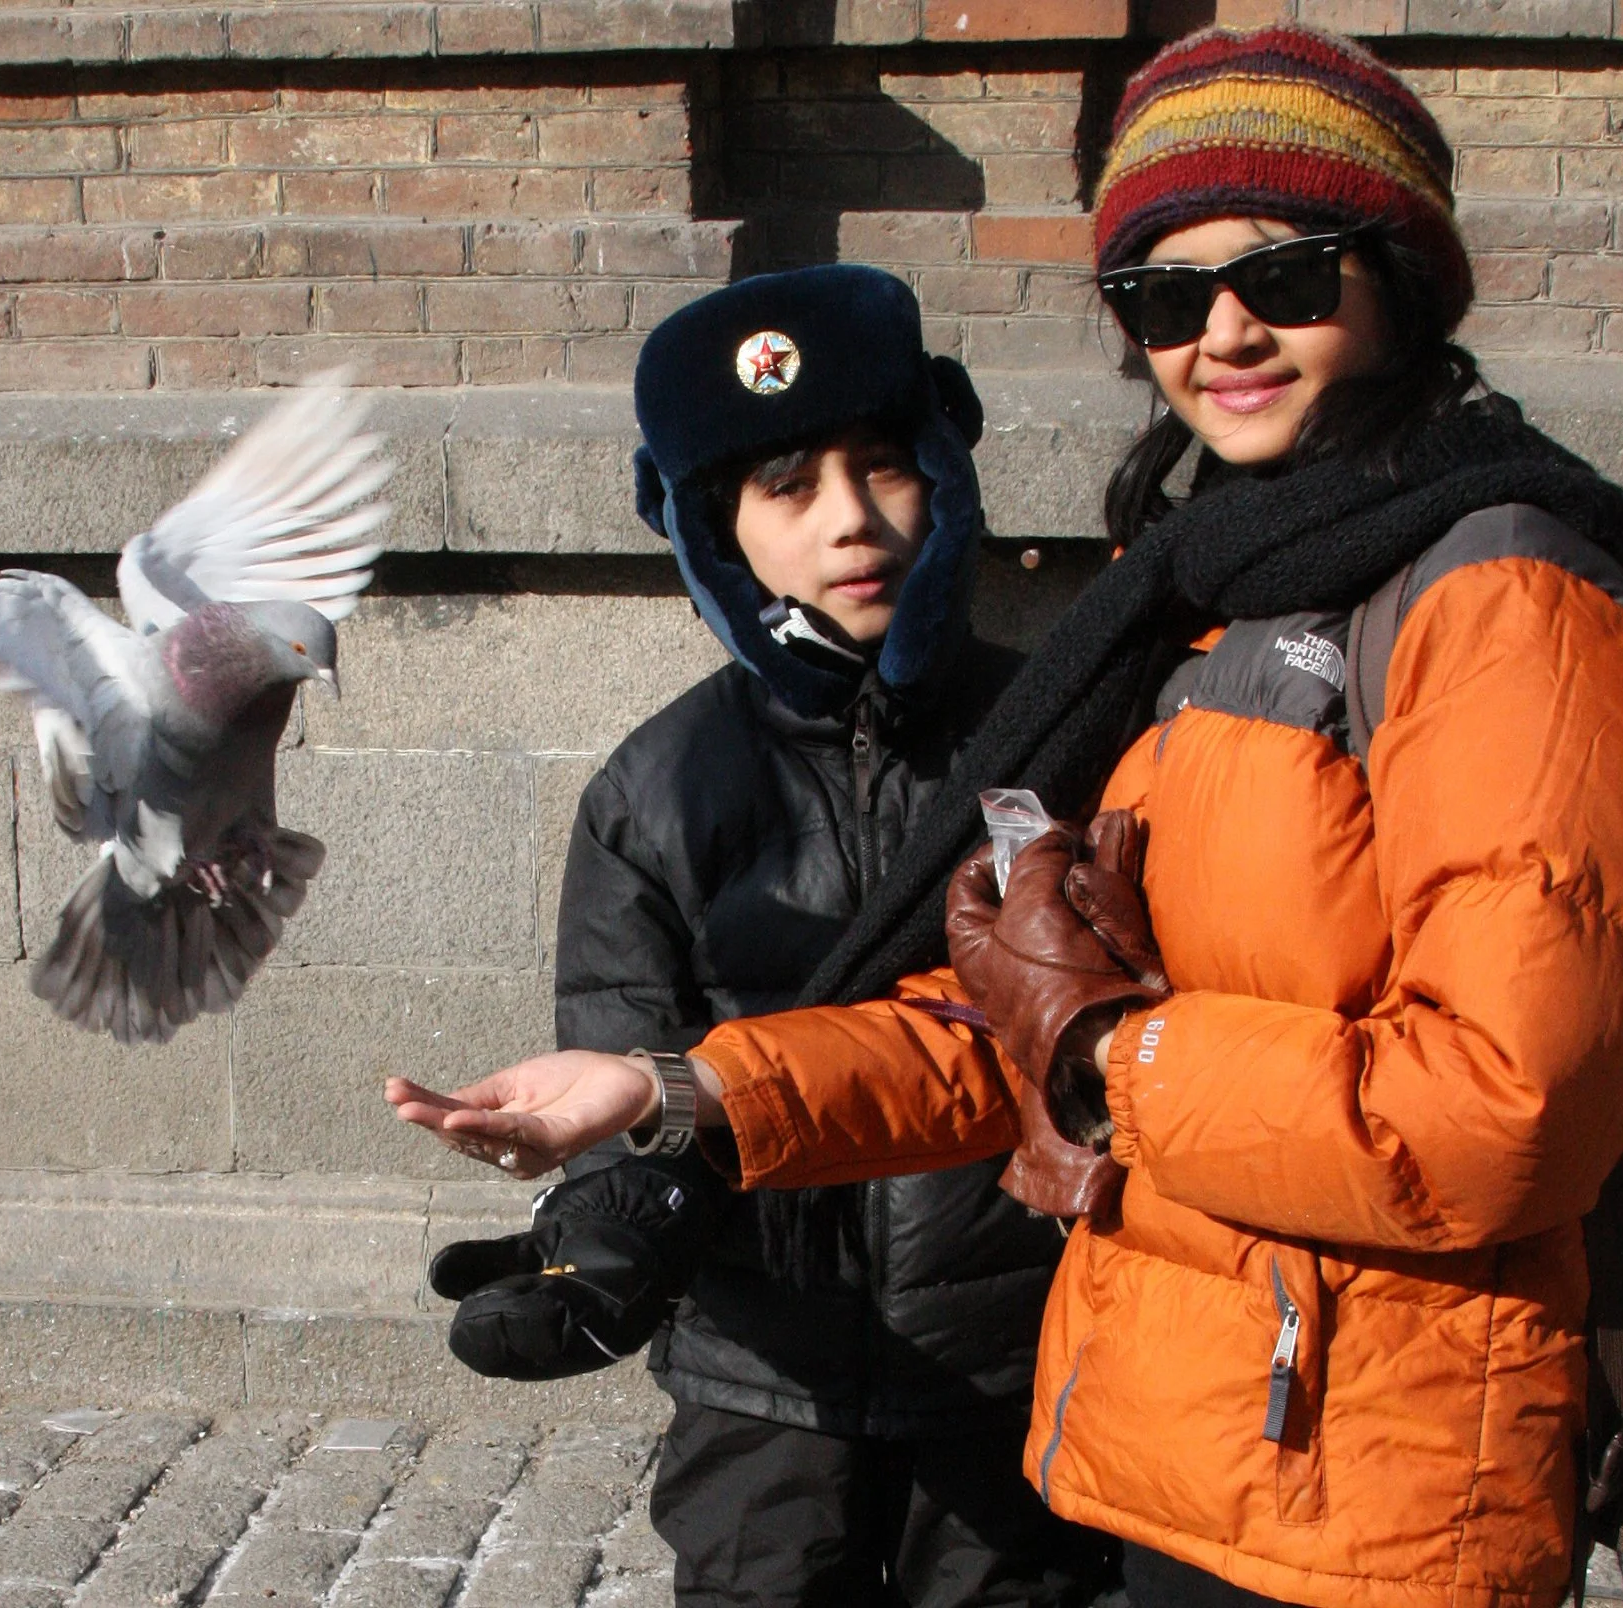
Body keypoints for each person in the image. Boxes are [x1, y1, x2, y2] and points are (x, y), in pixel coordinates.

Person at [393, 25, 1623, 1608]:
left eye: (1288, 277)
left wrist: (1105, 1054)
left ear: (1397, 276)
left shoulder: (1501, 598)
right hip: (1178, 1443)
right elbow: (1006, 1029)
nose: (1223, 334)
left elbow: (1489, 1114)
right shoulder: (1194, 602)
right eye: (1165, 298)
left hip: (1371, 1483)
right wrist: (662, 1089)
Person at [401, 264, 1110, 1608]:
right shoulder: (651, 791)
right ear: (718, 529)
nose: (852, 522)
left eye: (884, 468)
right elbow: (627, 1064)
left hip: (1020, 1362)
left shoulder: (1064, 738)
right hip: (765, 1382)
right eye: (789, 487)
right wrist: (611, 1232)